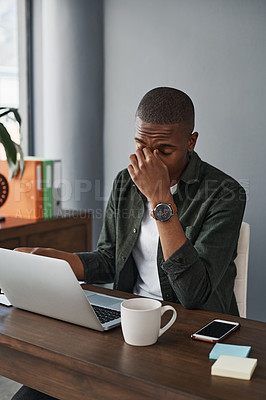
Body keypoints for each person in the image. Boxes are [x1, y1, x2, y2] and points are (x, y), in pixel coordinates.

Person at [12, 87, 246, 400]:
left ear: (190, 142)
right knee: (42, 388)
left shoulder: (225, 193)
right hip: (131, 321)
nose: (149, 161)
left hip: (191, 332)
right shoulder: (125, 181)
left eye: (164, 151)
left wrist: (161, 199)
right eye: (140, 146)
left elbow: (194, 294)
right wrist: (55, 260)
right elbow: (110, 259)